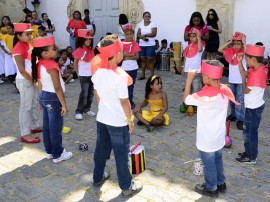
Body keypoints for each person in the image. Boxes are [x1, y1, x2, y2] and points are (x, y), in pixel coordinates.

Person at [91, 34, 143, 197]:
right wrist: (130, 120)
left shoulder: (98, 72)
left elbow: (97, 94)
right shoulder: (119, 77)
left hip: (102, 120)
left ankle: (97, 177)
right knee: (121, 156)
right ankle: (127, 186)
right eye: (122, 50)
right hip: (118, 123)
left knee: (101, 150)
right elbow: (125, 102)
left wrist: (103, 109)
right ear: (118, 55)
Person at [183, 60, 238, 197]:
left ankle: (211, 187)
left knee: (209, 164)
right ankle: (220, 182)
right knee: (218, 158)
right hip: (219, 136)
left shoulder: (205, 96)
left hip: (207, 138)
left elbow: (186, 100)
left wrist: (189, 79)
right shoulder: (224, 91)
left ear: (206, 77)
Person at [31, 36, 72, 163]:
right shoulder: (52, 65)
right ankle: (58, 154)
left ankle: (49, 151)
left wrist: (40, 100)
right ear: (44, 53)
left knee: (48, 126)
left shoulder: (39, 64)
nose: (56, 50)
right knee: (55, 128)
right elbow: (57, 87)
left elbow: (40, 84)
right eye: (53, 48)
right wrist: (63, 104)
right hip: (53, 99)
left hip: (44, 96)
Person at [236, 45, 268, 164]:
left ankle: (251, 157)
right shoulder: (259, 68)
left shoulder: (256, 74)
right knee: (249, 131)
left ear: (253, 59)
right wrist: (240, 62)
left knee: (249, 132)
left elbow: (245, 90)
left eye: (247, 59)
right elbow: (244, 73)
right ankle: (249, 151)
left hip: (253, 109)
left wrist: (244, 79)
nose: (246, 61)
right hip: (254, 106)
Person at [12, 23, 42, 143]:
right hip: (25, 81)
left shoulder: (27, 45)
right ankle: (25, 133)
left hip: (31, 80)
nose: (30, 36)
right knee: (26, 107)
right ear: (19, 36)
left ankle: (34, 126)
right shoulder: (19, 48)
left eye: (31, 33)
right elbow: (22, 70)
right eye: (27, 34)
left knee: (33, 104)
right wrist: (34, 82)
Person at [218, 32, 246, 130]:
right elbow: (219, 49)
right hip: (232, 79)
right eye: (234, 43)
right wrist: (229, 42)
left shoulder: (244, 52)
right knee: (232, 98)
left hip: (240, 80)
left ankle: (240, 119)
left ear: (242, 44)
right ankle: (233, 114)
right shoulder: (230, 51)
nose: (236, 46)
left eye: (239, 44)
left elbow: (248, 52)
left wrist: (244, 43)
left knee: (240, 100)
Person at [73, 29, 96, 120]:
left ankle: (87, 109)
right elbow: (75, 62)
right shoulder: (79, 50)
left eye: (90, 39)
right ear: (81, 40)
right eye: (86, 39)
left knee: (90, 93)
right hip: (84, 75)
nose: (89, 41)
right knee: (84, 93)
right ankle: (79, 111)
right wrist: (77, 72)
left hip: (92, 75)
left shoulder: (91, 50)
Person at [180, 28, 204, 114]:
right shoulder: (188, 47)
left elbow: (200, 50)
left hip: (197, 72)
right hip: (187, 71)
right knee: (188, 88)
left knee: (196, 89)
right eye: (191, 36)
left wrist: (199, 37)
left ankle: (195, 106)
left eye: (194, 36)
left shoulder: (200, 46)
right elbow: (186, 58)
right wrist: (183, 67)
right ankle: (186, 103)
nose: (192, 38)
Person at [121, 23, 141, 109]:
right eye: (127, 34)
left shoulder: (135, 44)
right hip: (125, 68)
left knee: (131, 85)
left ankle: (130, 100)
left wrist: (127, 56)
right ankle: (124, 100)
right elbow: (121, 56)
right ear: (124, 34)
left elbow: (137, 56)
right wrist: (131, 55)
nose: (129, 36)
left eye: (131, 34)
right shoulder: (122, 44)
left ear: (133, 34)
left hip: (133, 68)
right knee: (124, 85)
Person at [136, 11, 157, 80]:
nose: (147, 18)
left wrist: (145, 35)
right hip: (142, 44)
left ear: (150, 17)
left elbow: (154, 33)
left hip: (150, 44)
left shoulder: (153, 24)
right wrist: (142, 37)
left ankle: (152, 75)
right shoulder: (140, 24)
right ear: (143, 17)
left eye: (148, 16)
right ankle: (143, 75)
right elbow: (138, 34)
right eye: (145, 16)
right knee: (143, 60)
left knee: (150, 60)